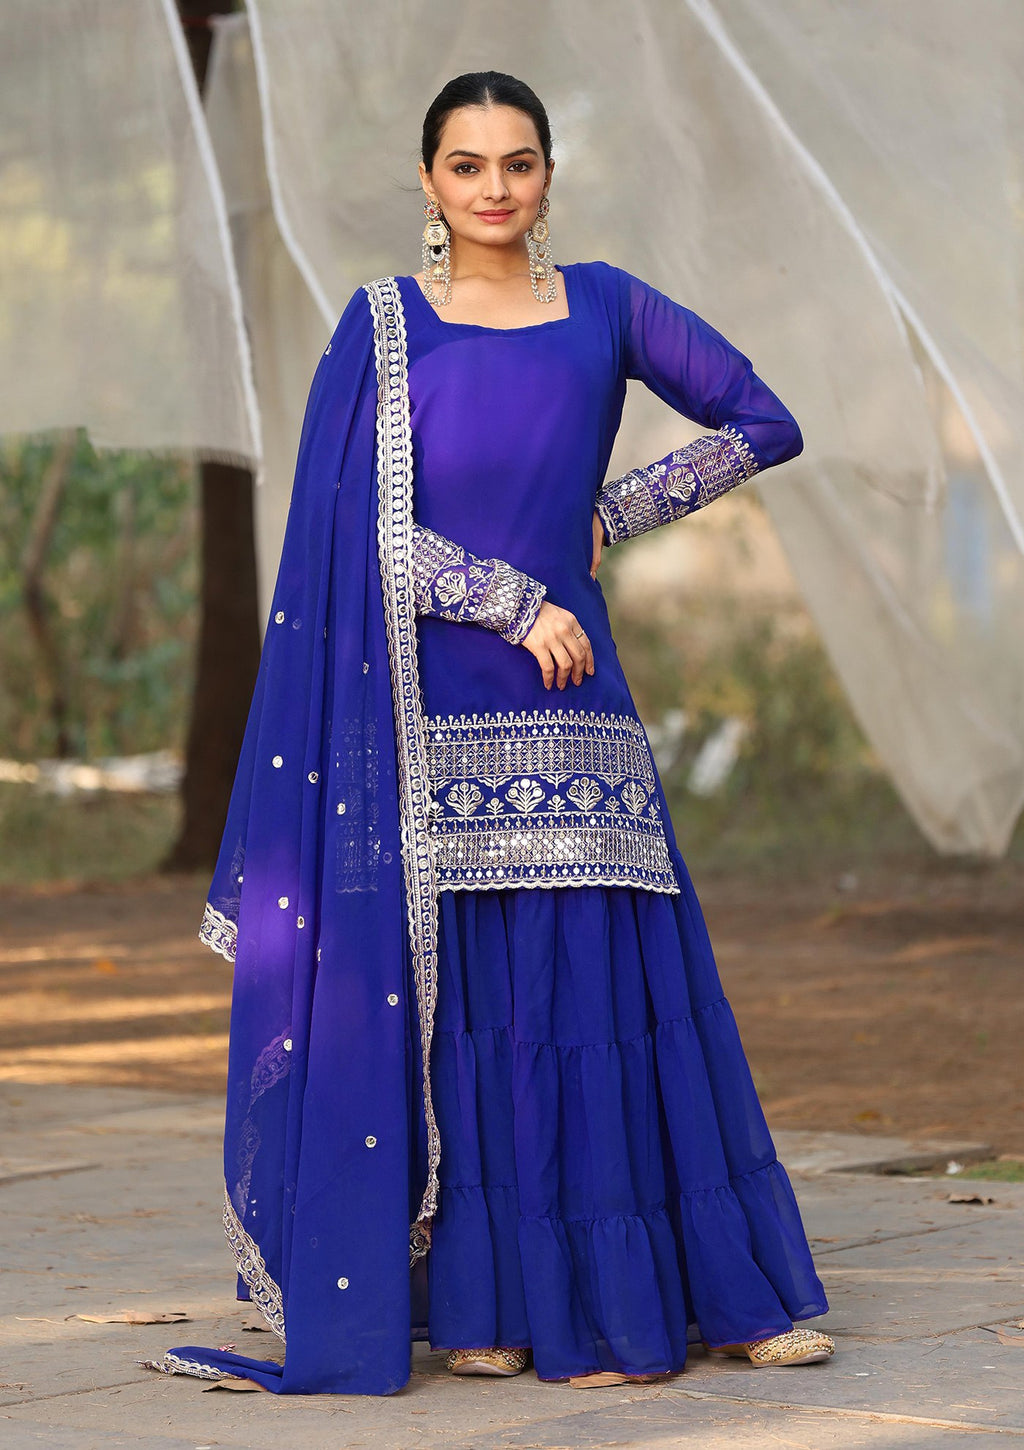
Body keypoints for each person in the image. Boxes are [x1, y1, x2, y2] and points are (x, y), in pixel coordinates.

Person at [144, 70, 833, 1396]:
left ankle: (699, 1291)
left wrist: (608, 518)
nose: (496, 190)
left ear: (549, 177)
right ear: (429, 182)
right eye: (468, 166)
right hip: (440, 705)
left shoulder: (610, 306)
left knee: (618, 994)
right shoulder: (384, 328)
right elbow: (352, 536)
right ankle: (488, 1297)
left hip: (579, 708)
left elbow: (766, 421)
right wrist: (512, 598)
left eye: (519, 164)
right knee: (479, 1006)